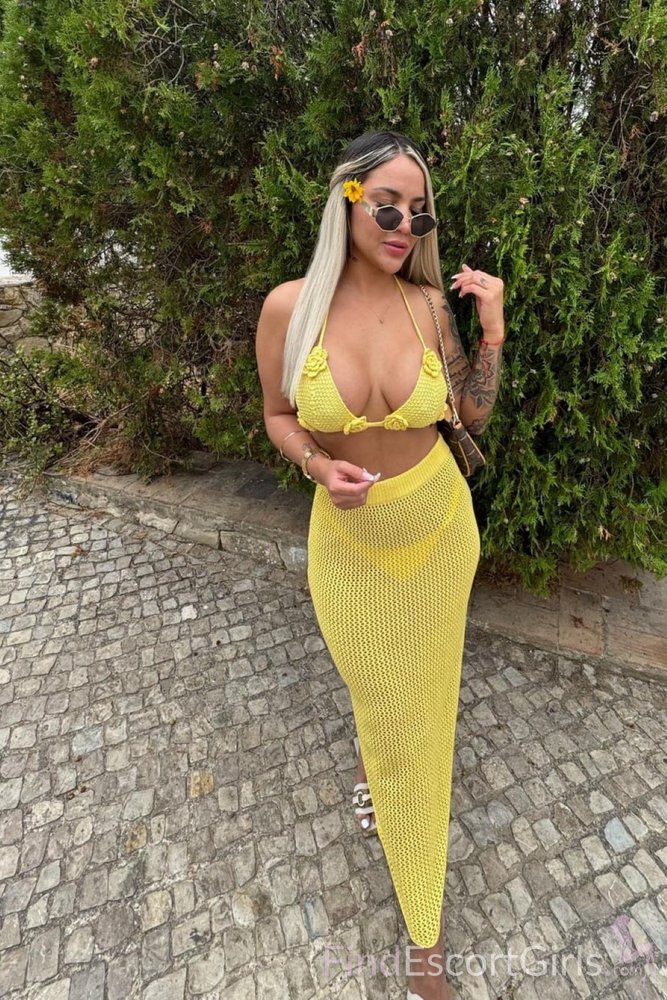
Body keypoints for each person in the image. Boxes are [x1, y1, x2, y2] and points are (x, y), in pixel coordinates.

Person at [255, 130, 504, 1000]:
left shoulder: (429, 307)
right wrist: (315, 465)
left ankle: (424, 943)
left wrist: (490, 329)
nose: (405, 226)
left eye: (419, 213)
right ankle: (376, 760)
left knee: (423, 718)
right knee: (381, 695)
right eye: (388, 206)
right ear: (349, 200)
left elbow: (470, 412)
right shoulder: (290, 308)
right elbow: (278, 414)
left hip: (438, 532)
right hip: (350, 548)